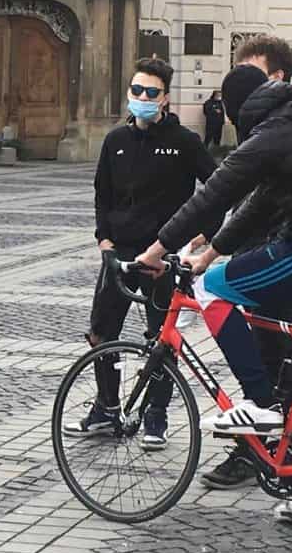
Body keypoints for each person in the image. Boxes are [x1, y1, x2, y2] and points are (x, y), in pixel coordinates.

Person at [135, 65, 292, 470]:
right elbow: (259, 206)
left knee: (212, 290)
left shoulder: (272, 133)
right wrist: (210, 253)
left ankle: (260, 402)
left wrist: (155, 249)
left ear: (237, 110)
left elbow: (215, 194)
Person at [65, 58, 220, 451]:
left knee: (160, 339)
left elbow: (219, 190)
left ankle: (156, 415)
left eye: (152, 93)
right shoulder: (116, 140)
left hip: (162, 258)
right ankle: (106, 407)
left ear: (165, 97)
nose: (143, 98)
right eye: (137, 91)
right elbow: (103, 193)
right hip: (119, 254)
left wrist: (203, 236)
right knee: (102, 332)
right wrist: (104, 242)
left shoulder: (184, 141)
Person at [197, 36, 292, 492]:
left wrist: (203, 249)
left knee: (270, 353)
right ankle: (282, 436)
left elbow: (262, 202)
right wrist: (212, 239)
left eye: (252, 73)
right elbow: (240, 200)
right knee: (275, 351)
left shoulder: (281, 131)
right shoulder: (260, 128)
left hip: (280, 254)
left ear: (276, 78)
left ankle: (261, 444)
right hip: (257, 251)